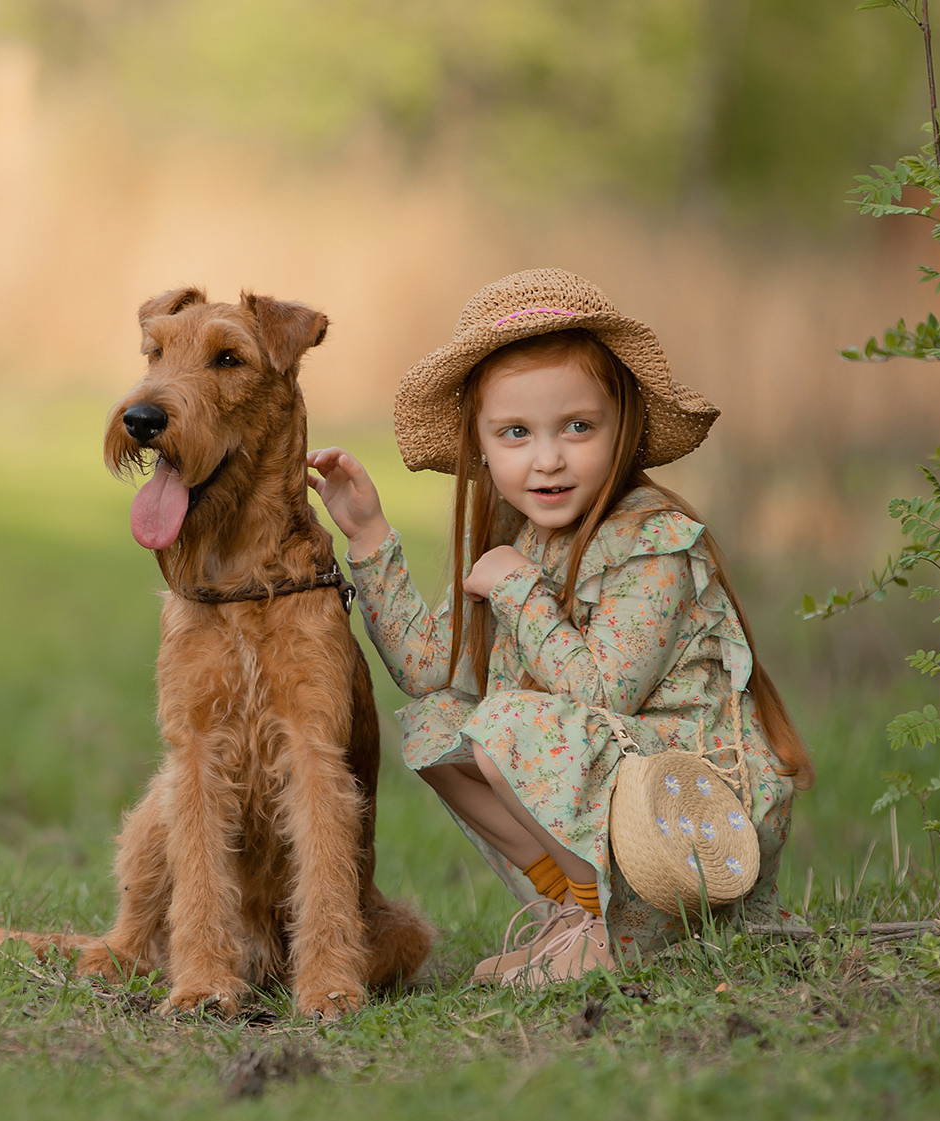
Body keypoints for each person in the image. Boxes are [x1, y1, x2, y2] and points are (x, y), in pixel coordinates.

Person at [307, 268, 812, 987]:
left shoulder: (654, 544)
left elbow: (602, 692)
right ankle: (574, 913)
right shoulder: (524, 542)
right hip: (614, 808)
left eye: (577, 427)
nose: (547, 459)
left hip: (691, 821)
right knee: (438, 724)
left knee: (507, 725)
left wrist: (520, 591)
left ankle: (616, 932)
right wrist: (368, 536)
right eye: (516, 433)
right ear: (481, 448)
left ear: (622, 426)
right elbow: (428, 668)